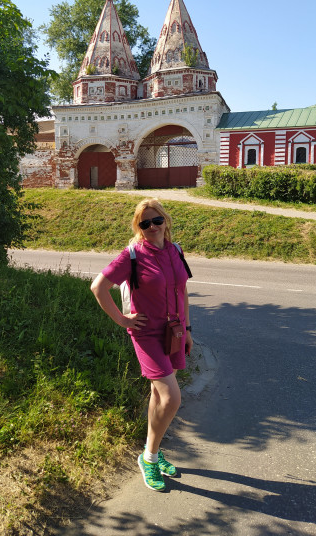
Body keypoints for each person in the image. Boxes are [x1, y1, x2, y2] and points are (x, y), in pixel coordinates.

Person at [90, 198, 193, 492]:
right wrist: (122, 320)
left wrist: (187, 329)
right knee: (172, 397)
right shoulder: (133, 254)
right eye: (144, 223)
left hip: (172, 331)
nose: (152, 227)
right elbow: (98, 287)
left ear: (165, 221)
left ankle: (153, 451)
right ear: (138, 227)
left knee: (157, 395)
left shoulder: (175, 250)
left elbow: (182, 290)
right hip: (146, 333)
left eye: (156, 220)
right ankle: (148, 458)